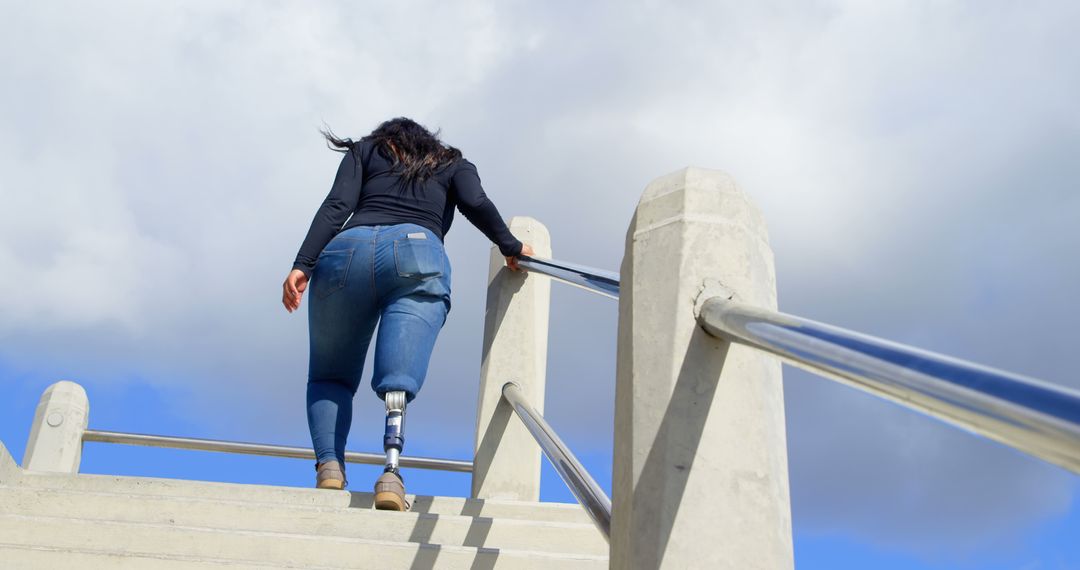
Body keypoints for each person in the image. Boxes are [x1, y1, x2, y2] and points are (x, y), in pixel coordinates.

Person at [282, 118, 533, 510]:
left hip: (343, 253)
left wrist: (303, 263)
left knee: (330, 375)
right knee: (398, 376)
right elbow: (476, 203)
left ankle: (330, 466)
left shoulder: (363, 151)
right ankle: (391, 471)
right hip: (417, 251)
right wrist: (510, 245)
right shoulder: (452, 162)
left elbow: (338, 205)